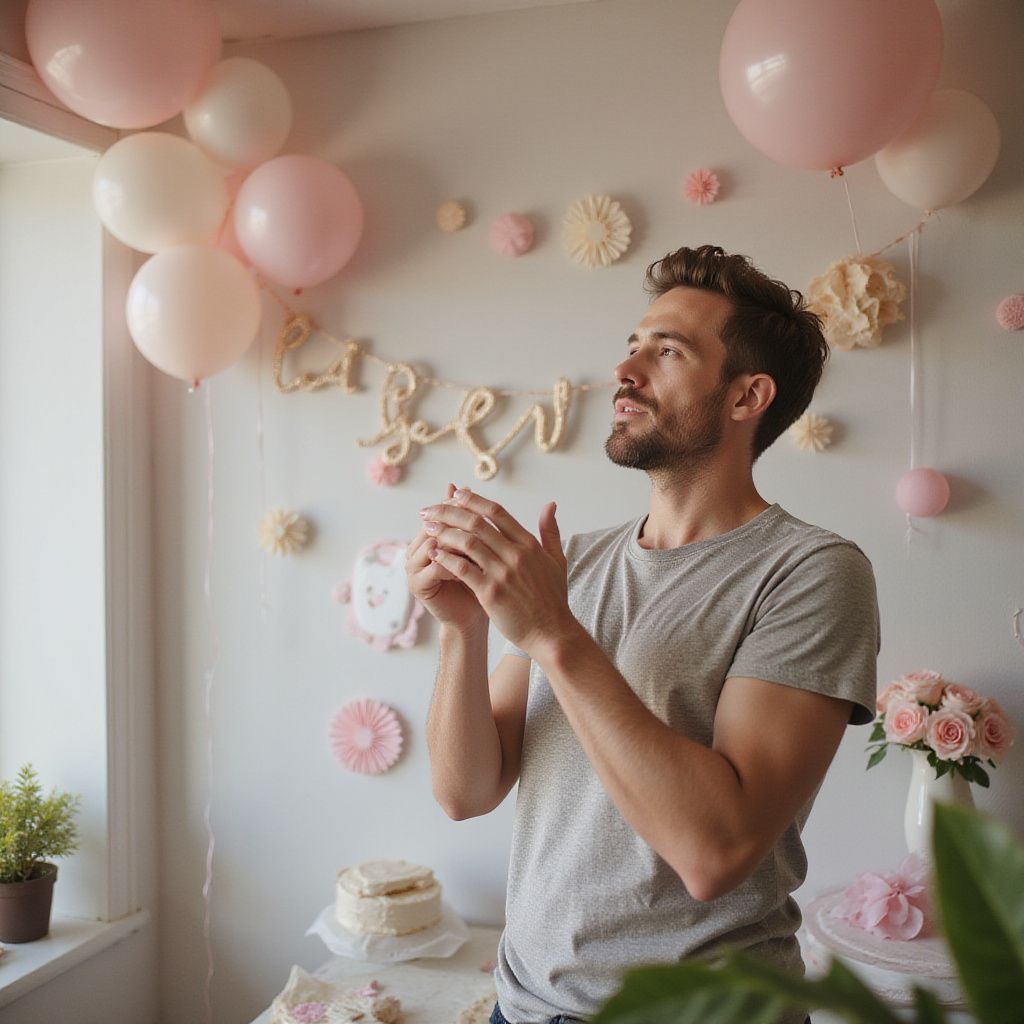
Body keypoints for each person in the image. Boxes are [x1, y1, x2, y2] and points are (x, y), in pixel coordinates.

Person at [405, 245, 880, 1024]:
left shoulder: (813, 573)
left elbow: (715, 852)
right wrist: (462, 630)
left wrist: (555, 634)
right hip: (523, 1008)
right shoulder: (578, 563)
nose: (626, 371)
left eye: (667, 351)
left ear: (745, 397)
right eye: (633, 345)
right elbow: (465, 791)